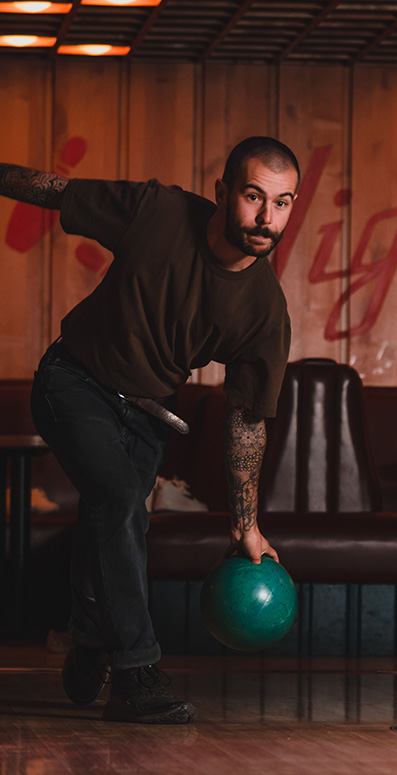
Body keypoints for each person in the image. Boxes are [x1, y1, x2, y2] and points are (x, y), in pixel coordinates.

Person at [0, 136, 298, 724]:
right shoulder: (157, 212)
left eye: (283, 202)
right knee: (117, 499)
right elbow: (51, 190)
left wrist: (246, 525)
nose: (267, 218)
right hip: (72, 382)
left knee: (117, 518)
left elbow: (245, 424)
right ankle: (137, 672)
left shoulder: (265, 310)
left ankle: (91, 635)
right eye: (254, 196)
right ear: (222, 194)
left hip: (148, 412)